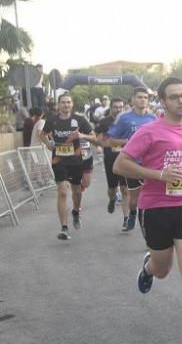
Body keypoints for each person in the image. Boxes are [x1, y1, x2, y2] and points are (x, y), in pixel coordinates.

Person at [112, 77, 182, 344]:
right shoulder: (149, 132)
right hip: (157, 206)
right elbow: (120, 163)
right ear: (163, 101)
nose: (181, 101)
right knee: (162, 269)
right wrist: (159, 175)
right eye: (174, 97)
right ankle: (149, 268)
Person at [40, 94, 98, 240]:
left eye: (68, 102)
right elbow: (42, 134)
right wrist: (48, 144)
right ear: (58, 105)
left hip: (76, 161)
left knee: (77, 192)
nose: (66, 105)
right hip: (58, 160)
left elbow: (94, 137)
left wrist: (81, 135)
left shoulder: (79, 120)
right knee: (62, 192)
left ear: (72, 104)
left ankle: (76, 211)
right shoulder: (52, 120)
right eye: (63, 102)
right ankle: (64, 228)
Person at [104, 87, 157, 232]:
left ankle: (149, 233)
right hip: (132, 164)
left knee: (150, 199)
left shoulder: (153, 118)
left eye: (145, 97)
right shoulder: (124, 117)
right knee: (134, 200)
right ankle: (133, 212)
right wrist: (129, 141)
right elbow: (110, 140)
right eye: (140, 97)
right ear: (133, 99)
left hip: (150, 164)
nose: (143, 100)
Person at [95, 97, 126, 215]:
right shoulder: (104, 122)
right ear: (111, 108)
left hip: (125, 158)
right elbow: (96, 134)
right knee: (112, 188)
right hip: (110, 157)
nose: (118, 109)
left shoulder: (127, 120)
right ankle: (112, 199)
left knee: (124, 189)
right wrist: (100, 144)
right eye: (115, 107)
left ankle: (126, 218)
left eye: (120, 107)